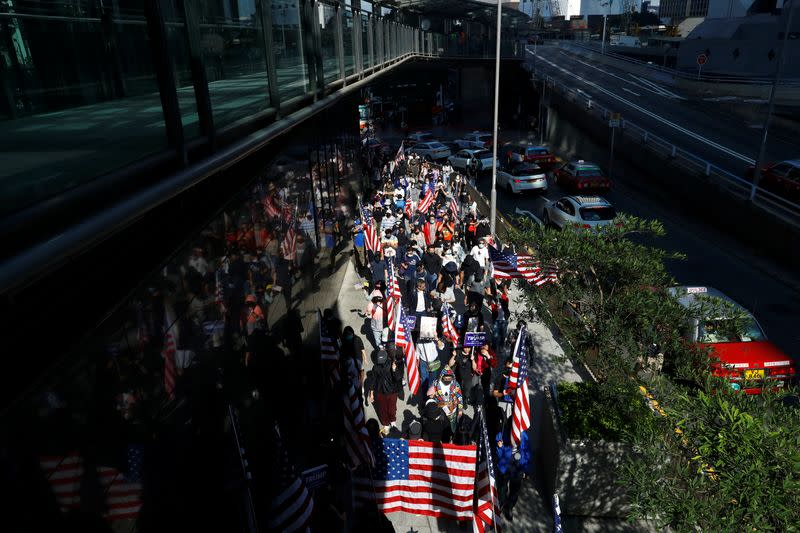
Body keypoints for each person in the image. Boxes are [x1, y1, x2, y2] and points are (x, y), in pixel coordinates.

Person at [495, 429, 531, 521]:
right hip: (505, 466)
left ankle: (509, 508)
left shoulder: (525, 435)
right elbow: (499, 452)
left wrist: (527, 470)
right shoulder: (503, 432)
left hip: (518, 467)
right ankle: (501, 505)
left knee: (515, 491)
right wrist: (500, 447)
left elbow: (527, 453)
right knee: (502, 489)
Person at [369, 349, 403, 435]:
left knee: (391, 409)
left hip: (392, 391)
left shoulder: (392, 364)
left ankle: (393, 422)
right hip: (380, 392)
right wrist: (372, 393)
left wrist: (395, 370)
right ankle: (386, 424)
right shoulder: (375, 367)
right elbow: (373, 380)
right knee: (382, 410)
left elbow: (398, 378)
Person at [429, 367, 464, 434]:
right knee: (442, 426)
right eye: (446, 378)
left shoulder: (456, 385)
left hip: (452, 410)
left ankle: (452, 434)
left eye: (450, 379)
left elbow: (459, 397)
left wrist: (460, 410)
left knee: (453, 425)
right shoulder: (436, 384)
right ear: (442, 377)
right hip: (440, 410)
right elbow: (431, 396)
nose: (448, 380)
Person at [492, 357, 516, 423]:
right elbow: (494, 393)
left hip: (513, 404)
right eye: (508, 368)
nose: (509, 370)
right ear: (505, 366)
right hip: (502, 403)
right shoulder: (499, 378)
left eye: (511, 368)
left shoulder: (515, 379)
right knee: (502, 423)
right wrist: (503, 394)